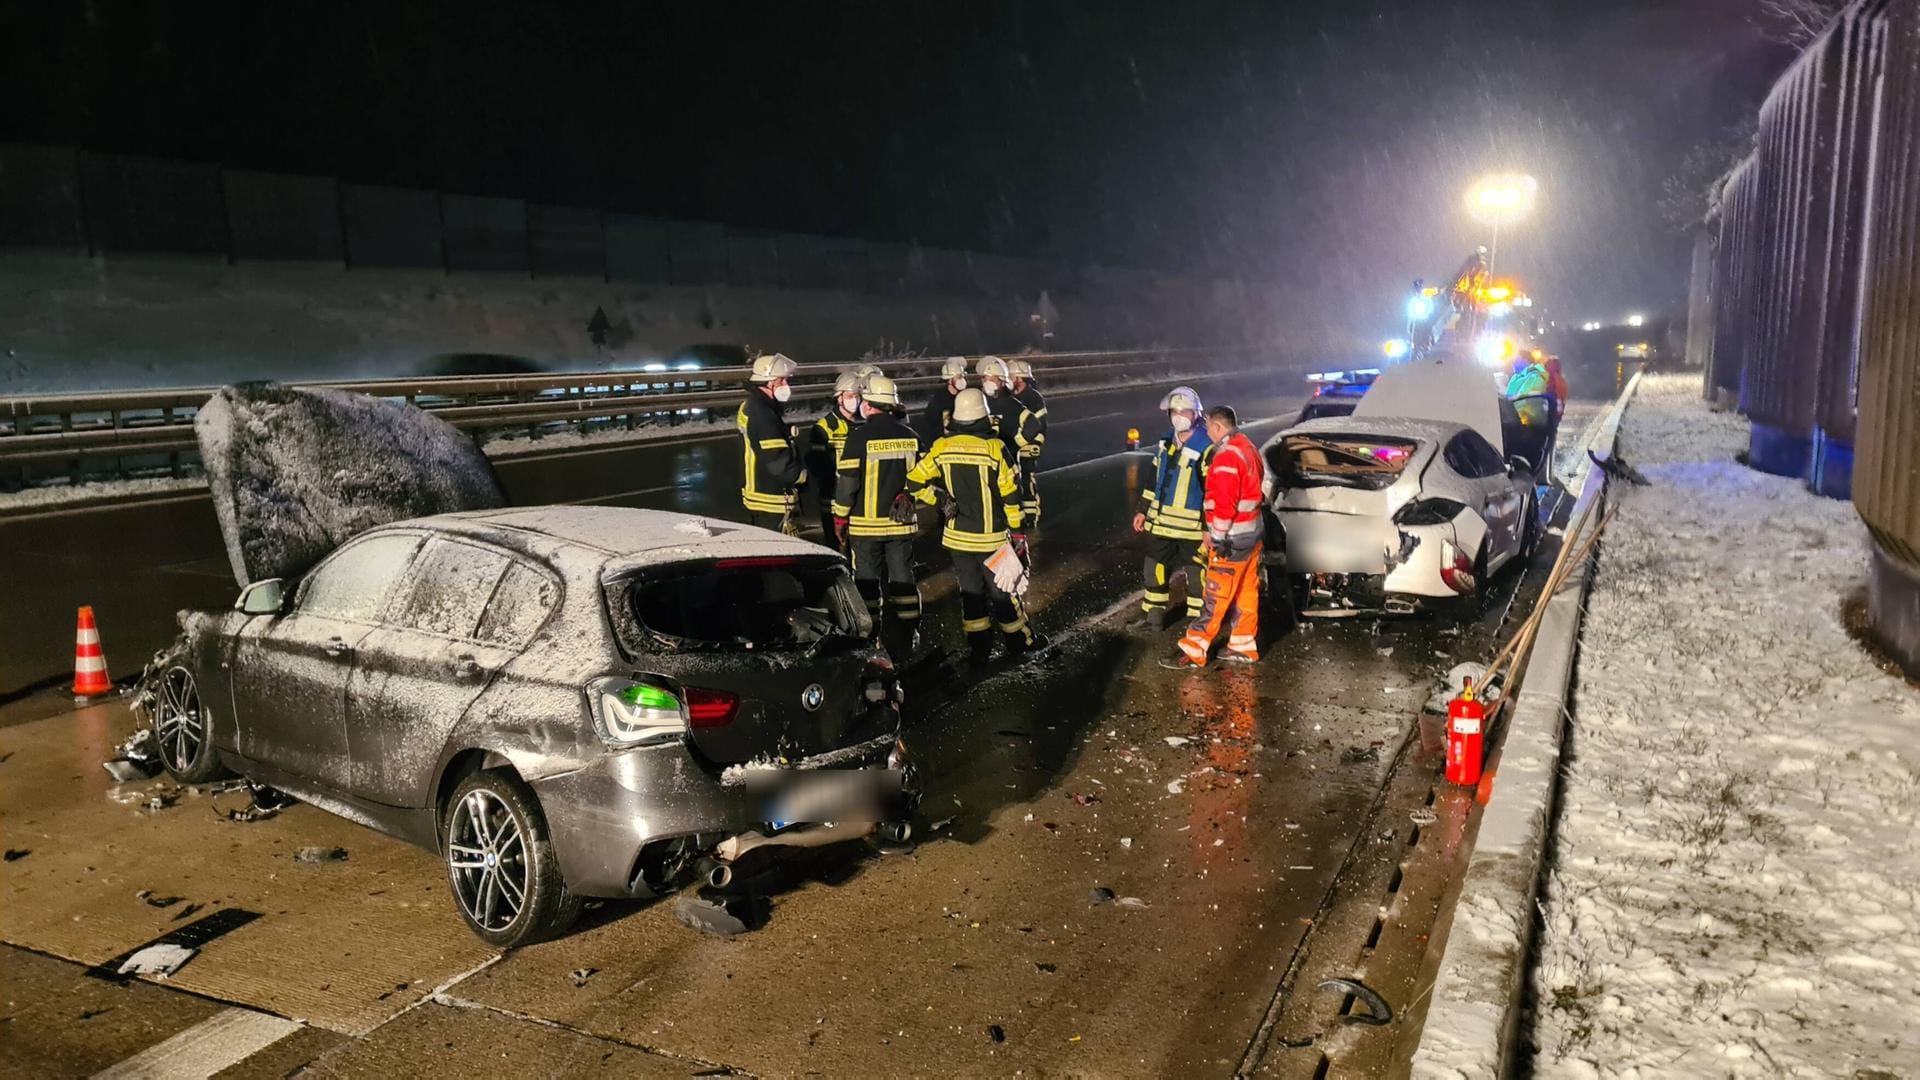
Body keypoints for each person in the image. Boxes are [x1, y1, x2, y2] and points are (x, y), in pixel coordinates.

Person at [907, 388, 1045, 667]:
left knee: (971, 595)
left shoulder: (942, 447)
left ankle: (979, 650)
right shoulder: (995, 449)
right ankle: (1021, 643)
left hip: (958, 539)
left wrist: (942, 500)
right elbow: (1011, 495)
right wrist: (1018, 534)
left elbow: (913, 482)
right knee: (1003, 595)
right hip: (991, 539)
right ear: (984, 416)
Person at [1166, 405, 1265, 669]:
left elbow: (1224, 503)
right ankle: (1243, 646)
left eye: (1209, 426)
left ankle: (1194, 650)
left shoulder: (1226, 457)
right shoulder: (1247, 447)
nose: (1206, 431)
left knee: (1215, 596)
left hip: (1231, 539)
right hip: (1251, 536)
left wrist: (1218, 536)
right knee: (1246, 594)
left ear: (1219, 427)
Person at [832, 375, 921, 660]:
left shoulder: (858, 437)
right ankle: (909, 630)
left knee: (867, 580)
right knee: (903, 577)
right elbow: (924, 479)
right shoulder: (911, 436)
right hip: (901, 524)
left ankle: (871, 636)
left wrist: (839, 518)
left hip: (865, 527)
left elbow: (847, 484)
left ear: (869, 406)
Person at [1134, 386, 1212, 627]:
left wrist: (1208, 528)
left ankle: (1197, 623)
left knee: (1196, 574)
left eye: (1184, 411)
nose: (1179, 416)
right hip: (1161, 523)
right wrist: (1142, 509)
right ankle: (1153, 618)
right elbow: (1154, 478)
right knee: (1153, 569)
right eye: (1174, 411)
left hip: (1192, 528)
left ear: (1196, 414)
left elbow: (1212, 492)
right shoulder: (1166, 440)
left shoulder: (1206, 446)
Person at [737, 353, 805, 532]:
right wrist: (801, 476)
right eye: (781, 381)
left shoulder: (755, 406)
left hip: (759, 492)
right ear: (768, 382)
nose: (786, 386)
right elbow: (777, 461)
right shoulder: (762, 413)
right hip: (770, 498)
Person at [807, 370, 866, 550]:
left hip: (857, 498)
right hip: (832, 499)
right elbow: (818, 467)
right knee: (836, 548)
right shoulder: (825, 428)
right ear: (839, 398)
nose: (855, 400)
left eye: (858, 396)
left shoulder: (864, 425)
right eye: (850, 396)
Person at [1008, 358, 1048, 526]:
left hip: (1028, 446)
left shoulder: (1033, 398)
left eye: (1011, 376)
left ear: (1019, 378)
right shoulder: (1010, 397)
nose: (1008, 379)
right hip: (1013, 445)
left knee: (1026, 480)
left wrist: (1033, 446)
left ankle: (1031, 516)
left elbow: (1040, 425)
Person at [918, 357, 969, 449]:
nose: (962, 380)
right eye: (959, 377)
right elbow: (929, 429)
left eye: (963, 377)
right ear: (949, 380)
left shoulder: (966, 397)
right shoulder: (938, 401)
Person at [1505, 354, 1551, 427]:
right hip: (1513, 418)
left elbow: (1524, 399)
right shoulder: (1516, 377)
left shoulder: (1535, 377)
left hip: (1528, 422)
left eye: (1517, 360)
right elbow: (1508, 396)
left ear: (1525, 361)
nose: (1514, 363)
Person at [1543, 355, 1570, 423]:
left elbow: (1561, 395)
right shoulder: (1559, 379)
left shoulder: (1553, 378)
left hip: (1551, 407)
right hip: (1552, 408)